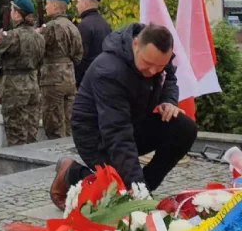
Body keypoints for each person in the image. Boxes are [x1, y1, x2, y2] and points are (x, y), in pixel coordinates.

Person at [50, 23, 197, 209]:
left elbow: (169, 76)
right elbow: (117, 133)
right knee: (115, 191)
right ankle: (72, 173)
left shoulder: (157, 57)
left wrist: (168, 101)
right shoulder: (109, 71)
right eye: (148, 64)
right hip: (96, 136)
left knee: (184, 128)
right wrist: (133, 182)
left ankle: (143, 190)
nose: (152, 71)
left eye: (158, 66)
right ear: (135, 44)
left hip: (133, 123)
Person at [0, 0, 45, 147]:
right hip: (33, 85)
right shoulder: (39, 37)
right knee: (31, 133)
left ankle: (17, 169)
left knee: (15, 136)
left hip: (15, 88)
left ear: (17, 14)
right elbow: (41, 62)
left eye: (12, 10)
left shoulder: (13, 36)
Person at [39, 0, 84, 138]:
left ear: (54, 5)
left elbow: (37, 49)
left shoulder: (51, 26)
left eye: (47, 4)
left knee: (53, 123)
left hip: (52, 79)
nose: (45, 7)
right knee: (68, 120)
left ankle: (57, 158)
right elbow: (78, 55)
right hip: (69, 77)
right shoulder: (73, 27)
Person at [75, 0, 111, 88]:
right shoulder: (105, 23)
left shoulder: (84, 24)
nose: (76, 6)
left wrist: (77, 79)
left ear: (85, 3)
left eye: (78, 2)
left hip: (87, 77)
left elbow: (81, 56)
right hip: (104, 73)